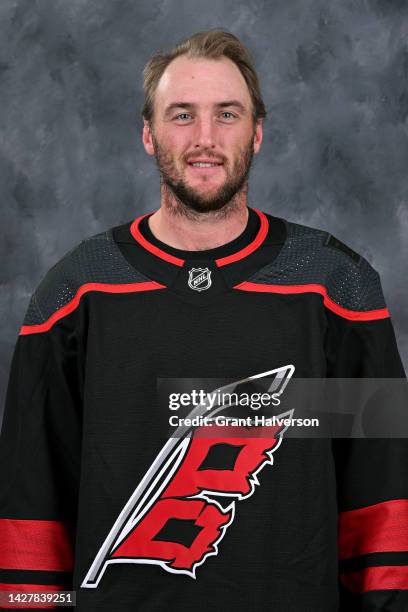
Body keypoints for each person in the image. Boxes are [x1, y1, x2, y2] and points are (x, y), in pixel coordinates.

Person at [1, 28, 407, 612]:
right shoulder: (76, 291)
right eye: (182, 115)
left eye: (228, 114)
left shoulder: (336, 285)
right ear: (148, 134)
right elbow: (31, 502)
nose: (206, 138)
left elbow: (384, 499)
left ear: (258, 133)